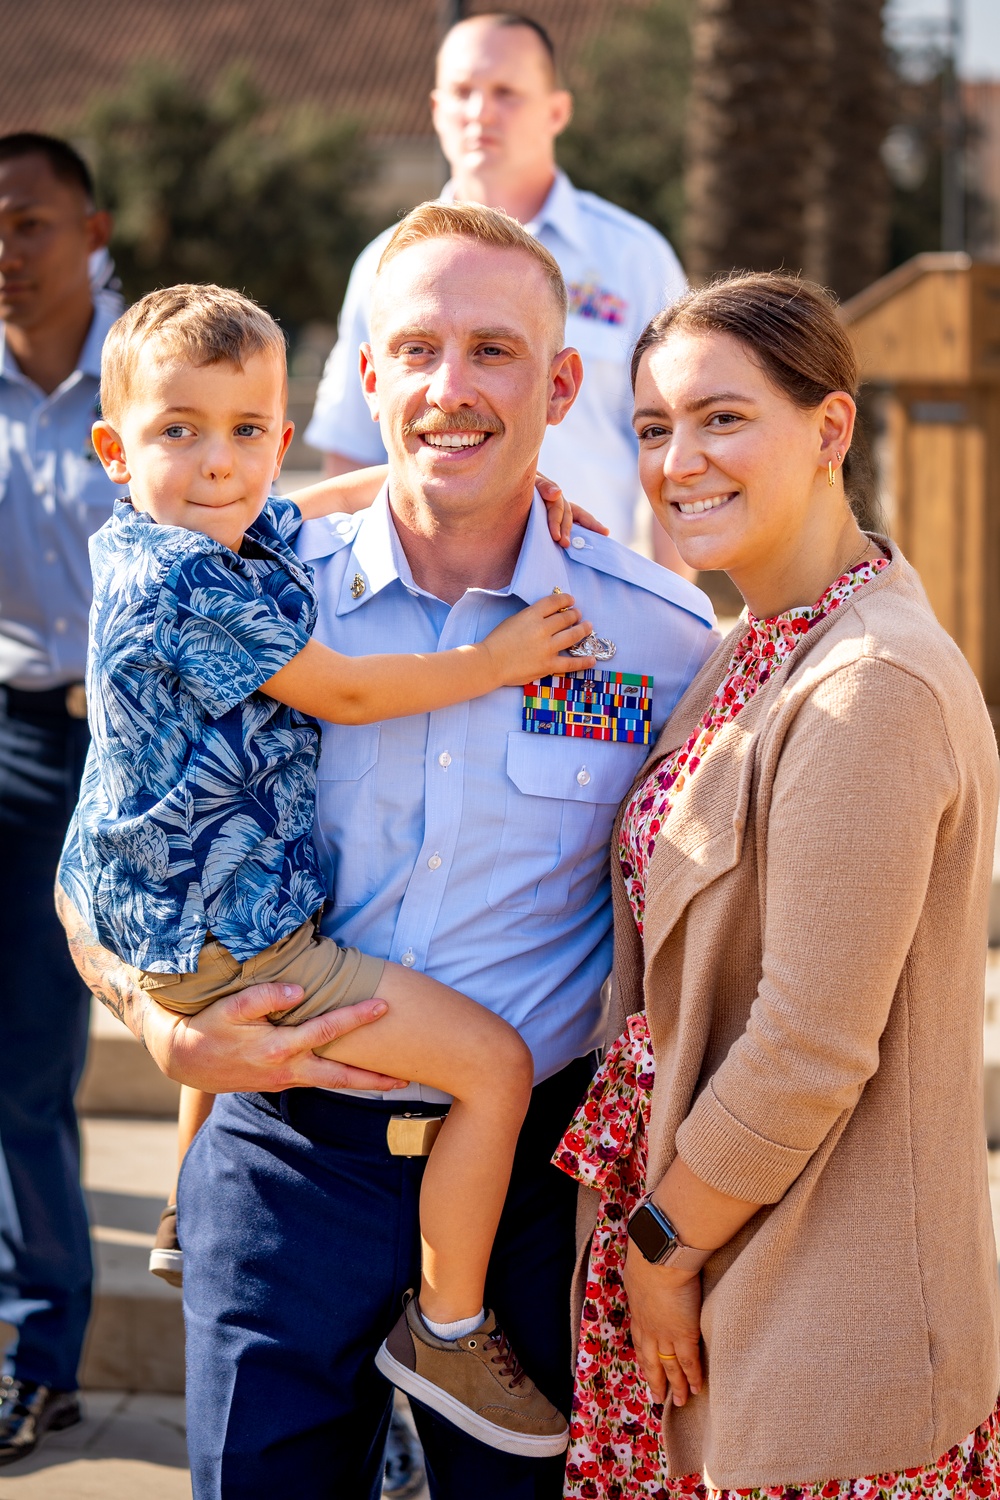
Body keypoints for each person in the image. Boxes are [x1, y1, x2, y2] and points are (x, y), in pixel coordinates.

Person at [58, 201, 718, 1499]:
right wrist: (154, 1024)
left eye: (494, 350)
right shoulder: (247, 586)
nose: (450, 387)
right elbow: (101, 853)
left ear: (563, 379)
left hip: (532, 1194)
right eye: (415, 348)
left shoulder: (659, 635)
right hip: (283, 1167)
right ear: (367, 373)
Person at [554, 272, 1000, 1499]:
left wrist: (658, 1244)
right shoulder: (754, 644)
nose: (678, 460)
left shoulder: (870, 687)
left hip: (813, 1301)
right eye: (652, 428)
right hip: (722, 1267)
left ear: (830, 429)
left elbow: (807, 1041)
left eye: (721, 417)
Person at [305, 11, 688, 561]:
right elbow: (352, 448)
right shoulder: (382, 265)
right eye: (463, 92)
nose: (481, 112)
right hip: (419, 602)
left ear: (557, 110)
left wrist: (664, 605)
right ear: (437, 111)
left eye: (506, 92)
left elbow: (673, 443)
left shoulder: (634, 258)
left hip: (591, 596)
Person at [0, 132, 120, 1466]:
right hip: (14, 730)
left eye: (27, 223)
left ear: (92, 229)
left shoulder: (157, 365)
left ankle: (45, 1353)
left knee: (32, 1065)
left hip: (147, 748)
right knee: (13, 1068)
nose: (5, 252)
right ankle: (38, 1359)